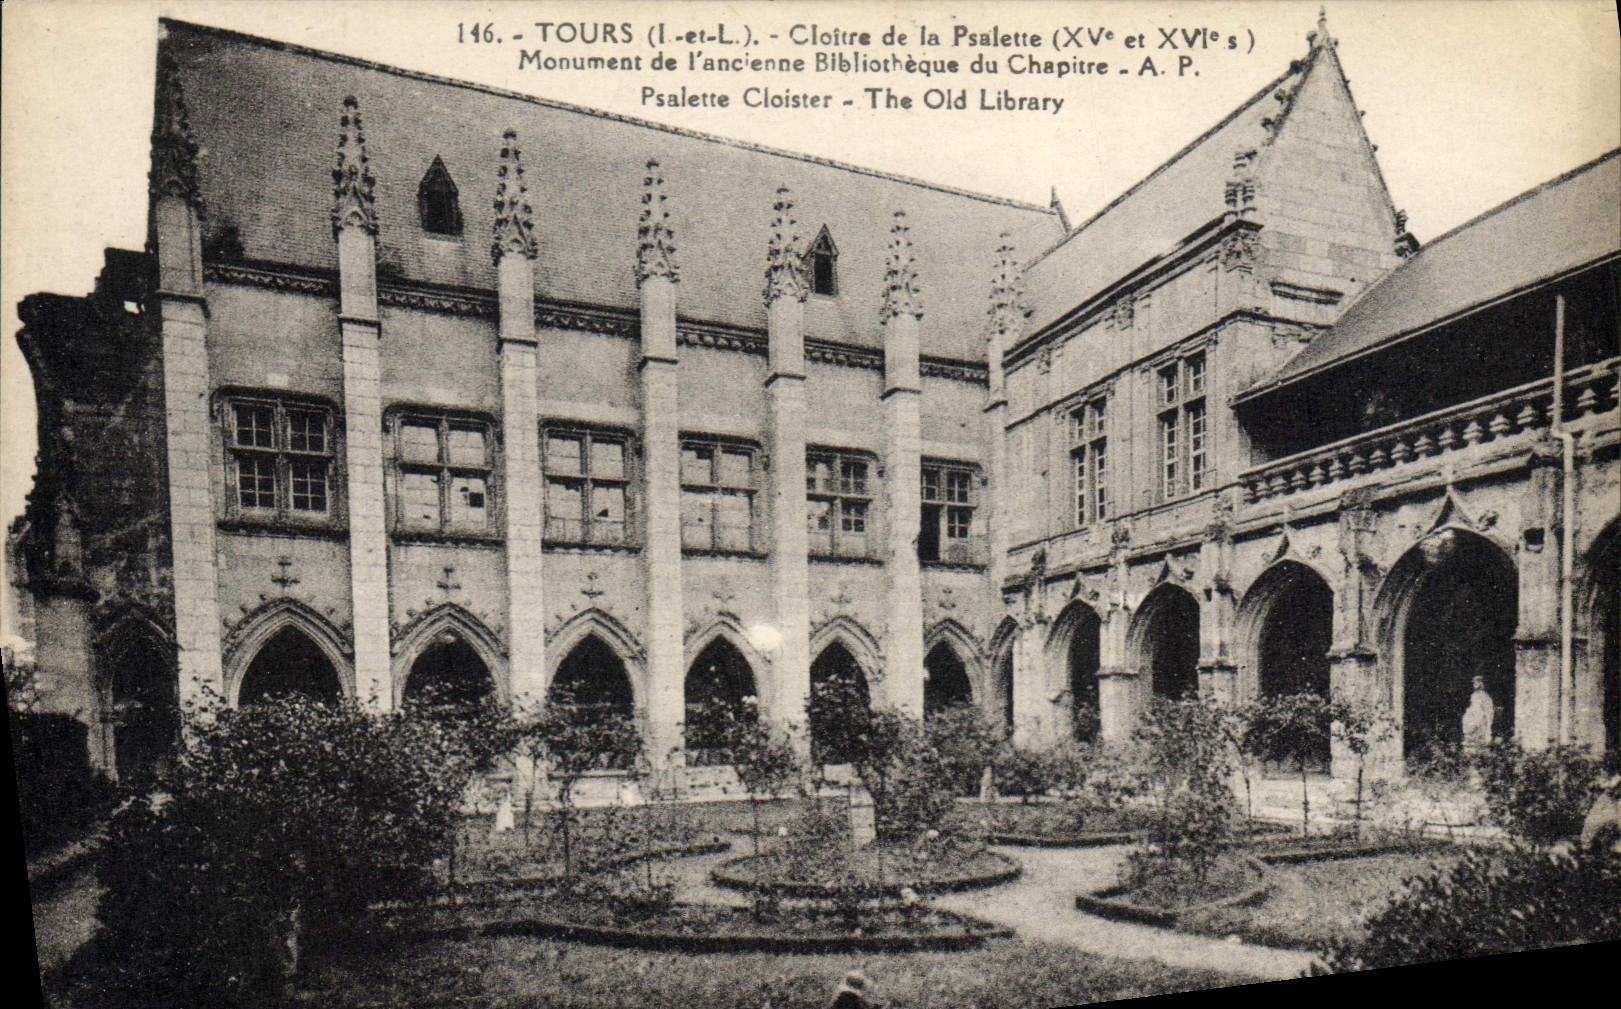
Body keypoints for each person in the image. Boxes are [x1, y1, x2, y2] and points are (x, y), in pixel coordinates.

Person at [1461, 675, 1495, 749]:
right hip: (1474, 721)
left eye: (1478, 682)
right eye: (1474, 682)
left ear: (1481, 683)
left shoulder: (1485, 697)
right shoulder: (1474, 695)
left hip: (1480, 722)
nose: (1475, 684)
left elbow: (1487, 712)